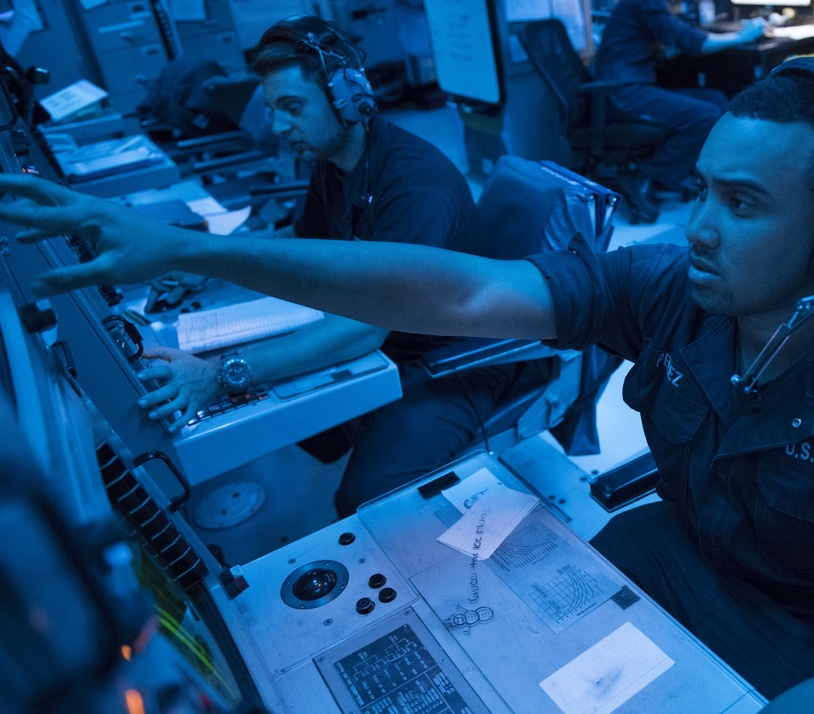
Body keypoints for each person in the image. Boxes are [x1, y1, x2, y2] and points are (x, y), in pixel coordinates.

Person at [2, 58, 814, 712]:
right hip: (673, 556)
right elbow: (464, 290)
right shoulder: (672, 286)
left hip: (803, 638)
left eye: (740, 203)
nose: (695, 225)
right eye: (699, 188)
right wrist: (186, 250)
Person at [136, 15, 524, 517]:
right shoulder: (336, 162)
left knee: (364, 501)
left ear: (347, 99)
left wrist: (219, 375)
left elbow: (363, 331)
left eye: (292, 107)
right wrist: (209, 265)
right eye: (274, 109)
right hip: (392, 339)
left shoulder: (413, 188)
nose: (277, 127)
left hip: (453, 358)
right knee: (288, 418)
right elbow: (304, 247)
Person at [593, 0, 766, 222]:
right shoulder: (646, 3)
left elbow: (678, 35)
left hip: (634, 85)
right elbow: (693, 42)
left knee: (715, 99)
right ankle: (643, 177)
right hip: (624, 92)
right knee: (704, 117)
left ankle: (696, 174)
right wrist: (742, 36)